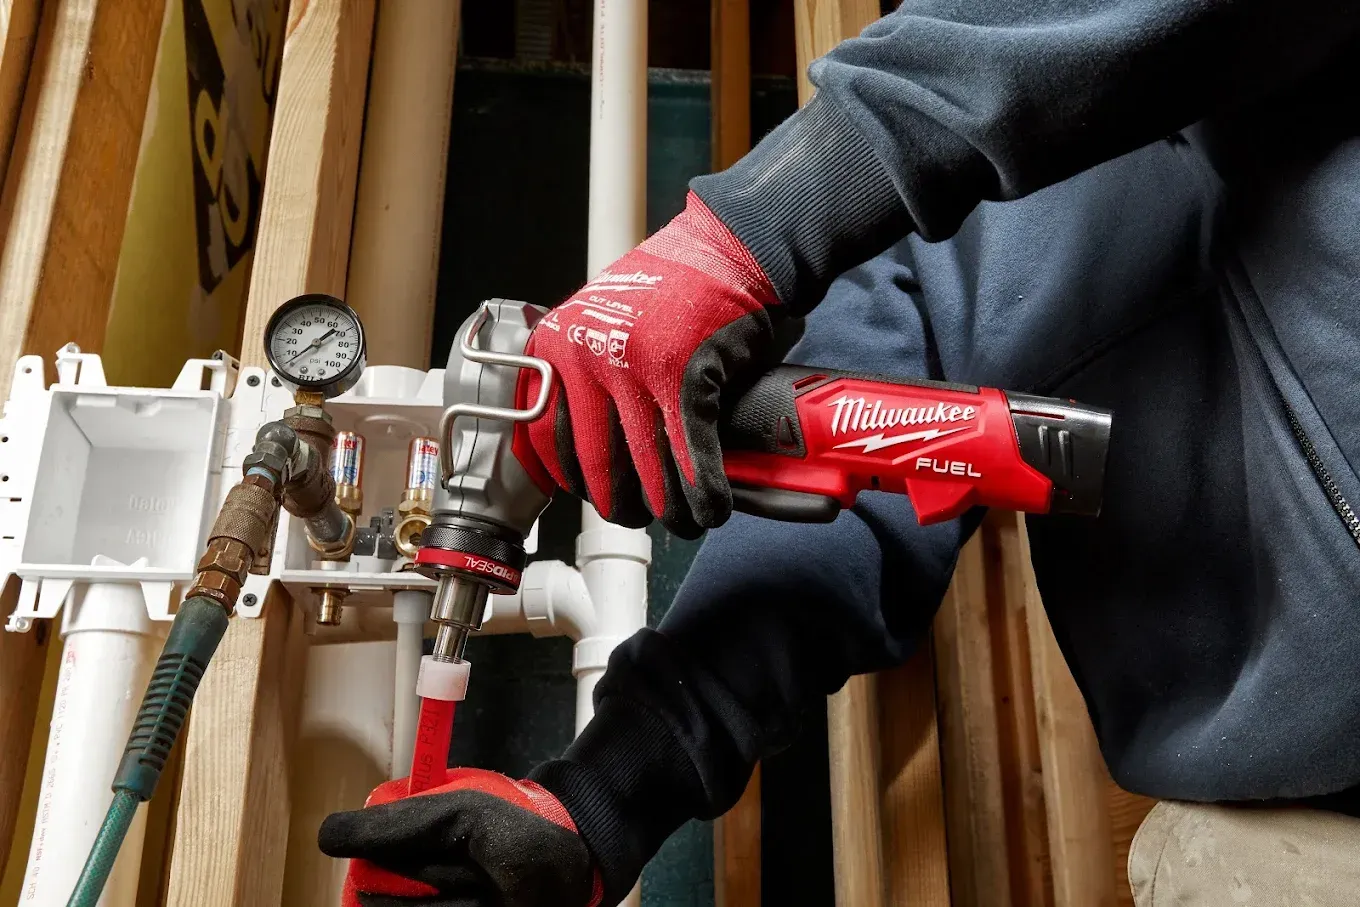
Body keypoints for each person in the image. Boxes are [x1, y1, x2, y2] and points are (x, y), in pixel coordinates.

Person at [317, 1, 1360, 904]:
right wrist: (598, 800)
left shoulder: (911, 125)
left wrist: (753, 225)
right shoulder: (942, 230)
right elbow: (861, 478)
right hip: (1308, 819)